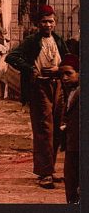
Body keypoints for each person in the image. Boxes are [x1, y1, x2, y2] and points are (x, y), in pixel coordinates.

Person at [5, 4, 69, 189]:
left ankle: (50, 169)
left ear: (55, 23)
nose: (47, 25)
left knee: (57, 127)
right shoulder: (32, 41)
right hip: (39, 87)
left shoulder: (58, 40)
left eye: (50, 21)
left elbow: (68, 59)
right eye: (44, 22)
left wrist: (60, 68)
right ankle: (44, 173)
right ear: (38, 23)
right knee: (44, 129)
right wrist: (30, 68)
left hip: (57, 86)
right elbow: (12, 57)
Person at [58, 53, 79, 204]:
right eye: (61, 74)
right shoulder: (69, 92)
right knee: (70, 182)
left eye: (69, 73)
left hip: (78, 147)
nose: (64, 78)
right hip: (71, 145)